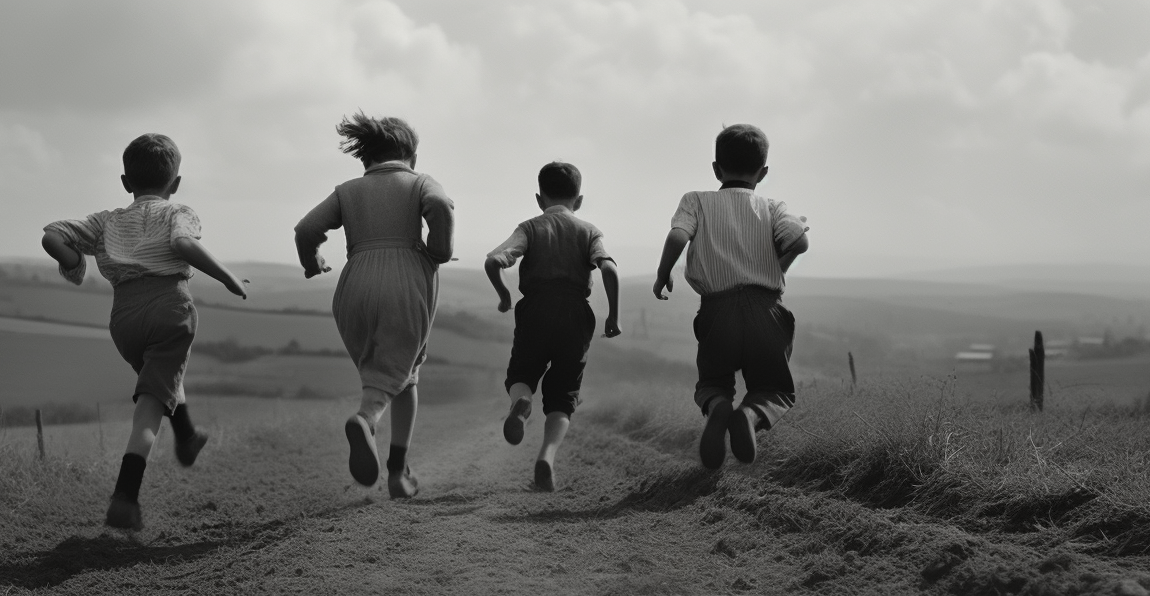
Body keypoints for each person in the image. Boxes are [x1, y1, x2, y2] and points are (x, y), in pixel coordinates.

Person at [40, 133, 249, 530]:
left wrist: (74, 264)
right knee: (149, 411)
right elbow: (184, 245)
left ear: (125, 183)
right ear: (176, 183)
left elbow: (52, 234)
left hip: (125, 319)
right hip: (170, 310)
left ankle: (187, 437)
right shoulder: (178, 213)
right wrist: (228, 278)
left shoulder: (107, 221)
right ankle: (126, 495)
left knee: (159, 377)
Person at [293, 112, 454, 499]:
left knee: (403, 371)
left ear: (366, 159)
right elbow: (441, 206)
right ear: (410, 155)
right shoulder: (419, 182)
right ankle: (366, 419)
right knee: (395, 372)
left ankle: (399, 472)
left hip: (354, 285)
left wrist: (312, 262)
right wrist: (439, 251)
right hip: (405, 282)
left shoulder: (347, 190)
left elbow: (305, 230)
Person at [652, 124, 809, 468]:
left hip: (717, 310)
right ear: (763, 173)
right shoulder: (773, 207)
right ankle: (750, 416)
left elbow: (678, 236)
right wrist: (778, 265)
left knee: (713, 381)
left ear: (715, 169)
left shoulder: (696, 200)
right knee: (773, 388)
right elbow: (799, 240)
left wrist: (664, 274)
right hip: (766, 309)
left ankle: (721, 407)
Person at [485, 161, 620, 492]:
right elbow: (610, 270)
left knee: (521, 375)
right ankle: (546, 457)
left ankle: (524, 401)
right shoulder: (589, 231)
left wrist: (504, 296)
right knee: (563, 395)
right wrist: (613, 317)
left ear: (538, 198)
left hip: (535, 310)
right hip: (576, 315)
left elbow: (493, 260)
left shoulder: (530, 228)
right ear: (580, 199)